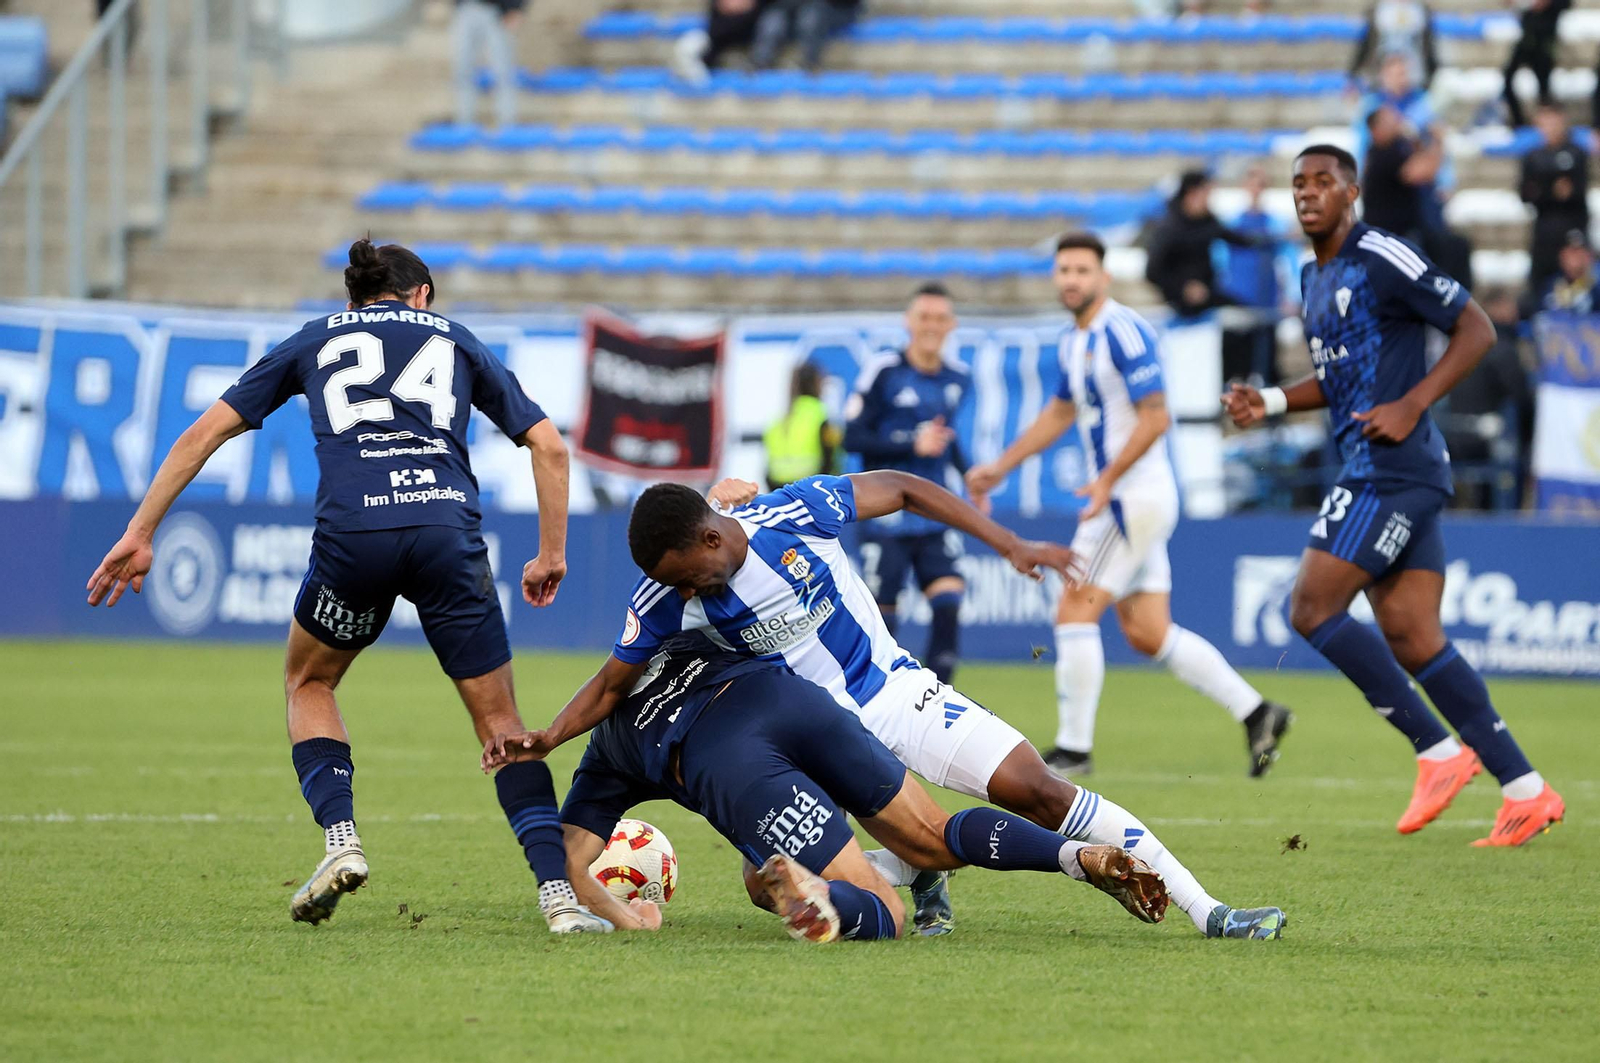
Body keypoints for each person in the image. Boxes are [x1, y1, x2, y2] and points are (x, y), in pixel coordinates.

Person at [485, 471, 1288, 940]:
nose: (687, 591)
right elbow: (613, 682)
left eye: (689, 572)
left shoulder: (794, 513)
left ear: (709, 537)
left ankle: (1210, 910)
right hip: (809, 744)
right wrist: (549, 735)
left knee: (1041, 790)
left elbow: (904, 488)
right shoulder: (669, 594)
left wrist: (1004, 542)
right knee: (764, 883)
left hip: (898, 697)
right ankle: (914, 879)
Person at [85, 240, 611, 932]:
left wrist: (142, 531)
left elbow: (203, 433)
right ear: (421, 294)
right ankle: (559, 900)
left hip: (353, 538)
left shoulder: (313, 339)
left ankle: (342, 838)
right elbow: (547, 443)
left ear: (354, 299)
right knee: (502, 725)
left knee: (310, 682)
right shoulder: (454, 338)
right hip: (446, 535)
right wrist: (550, 553)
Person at [1222, 145, 1565, 847]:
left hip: (1393, 466)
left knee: (1312, 606)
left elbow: (1477, 327)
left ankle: (1437, 752)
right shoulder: (1311, 275)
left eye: (1324, 181)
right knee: (1412, 633)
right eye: (1299, 184)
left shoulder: (1384, 254)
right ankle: (1527, 790)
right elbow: (1338, 380)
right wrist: (1275, 400)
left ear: (1352, 192)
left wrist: (1412, 402)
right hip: (1377, 460)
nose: (1308, 193)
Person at [510, 632, 1170, 942]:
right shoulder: (678, 631)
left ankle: (823, 890)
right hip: (798, 704)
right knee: (934, 837)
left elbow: (569, 865)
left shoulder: (606, 751)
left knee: (885, 912)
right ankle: (1074, 855)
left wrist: (633, 916)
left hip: (733, 757)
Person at [966, 233, 1294, 779]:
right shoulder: (1075, 340)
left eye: (1081, 270)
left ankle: (1073, 750)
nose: (1071, 279)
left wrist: (1107, 481)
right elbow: (1058, 413)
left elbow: (1157, 416)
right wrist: (1001, 466)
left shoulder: (1123, 332)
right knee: (1147, 631)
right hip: (1128, 498)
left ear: (1104, 277)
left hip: (1130, 498)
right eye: (1064, 270)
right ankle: (1258, 712)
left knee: (1073, 608)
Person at [844, 282, 971, 684]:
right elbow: (854, 438)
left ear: (951, 325)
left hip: (932, 512)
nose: (931, 326)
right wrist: (909, 442)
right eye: (924, 318)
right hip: (885, 516)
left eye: (939, 318)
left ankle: (938, 701)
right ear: (908, 323)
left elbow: (946, 440)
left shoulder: (958, 378)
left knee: (949, 600)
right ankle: (878, 706)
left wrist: (972, 478)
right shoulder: (884, 372)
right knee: (884, 620)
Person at [1144, 170, 1268, 319]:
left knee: (1243, 317)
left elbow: (1238, 239)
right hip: (1179, 302)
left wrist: (1273, 238)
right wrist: (1183, 288)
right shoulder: (1168, 228)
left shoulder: (1208, 222)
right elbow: (1152, 271)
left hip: (1208, 295)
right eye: (1206, 194)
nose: (1208, 199)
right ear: (1192, 194)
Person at [1218, 164, 1293, 385]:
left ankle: (1269, 411)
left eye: (1261, 184)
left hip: (1266, 301)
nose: (1256, 189)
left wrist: (1289, 295)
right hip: (1238, 302)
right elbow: (1220, 261)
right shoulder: (1231, 225)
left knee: (1267, 361)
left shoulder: (1276, 224)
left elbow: (1287, 261)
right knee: (1237, 362)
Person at [1521, 105, 1590, 296]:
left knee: (1576, 289)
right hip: (1543, 232)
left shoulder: (1576, 153)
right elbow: (1526, 194)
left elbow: (1573, 191)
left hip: (1571, 230)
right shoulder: (1532, 156)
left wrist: (1542, 191)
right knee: (1539, 287)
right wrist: (1551, 191)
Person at [1362, 104, 1441, 241]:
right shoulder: (1383, 154)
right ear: (1376, 128)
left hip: (1401, 229)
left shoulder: (1397, 146)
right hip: (1390, 234)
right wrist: (1438, 141)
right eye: (1389, 120)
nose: (1396, 122)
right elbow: (1424, 173)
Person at [763, 362, 838, 489]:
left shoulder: (779, 419)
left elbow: (769, 465)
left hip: (778, 486)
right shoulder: (819, 413)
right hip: (809, 486)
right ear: (817, 383)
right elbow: (829, 457)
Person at [453, 0, 523, 129]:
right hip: (467, 9)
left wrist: (515, 7)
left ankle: (508, 122)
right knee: (463, 69)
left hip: (496, 11)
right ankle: (464, 122)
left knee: (503, 70)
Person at [1503, 0, 1570, 129]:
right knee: (1508, 80)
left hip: (1544, 42)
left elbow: (1566, 4)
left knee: (1543, 88)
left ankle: (1546, 125)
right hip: (1527, 39)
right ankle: (1519, 122)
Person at [673, 0, 771, 87]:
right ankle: (701, 89)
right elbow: (714, 25)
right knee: (686, 48)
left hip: (749, 40)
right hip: (715, 39)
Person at [1348, 1, 1437, 91]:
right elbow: (1365, 46)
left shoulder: (1421, 10)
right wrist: (1353, 74)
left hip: (1415, 78)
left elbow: (1429, 49)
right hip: (1380, 79)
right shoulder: (1376, 10)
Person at [752, 0, 861, 73]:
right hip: (786, 10)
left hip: (829, 10)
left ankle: (811, 64)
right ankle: (759, 65)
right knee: (773, 21)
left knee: (810, 18)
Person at [1542, 228, 1600, 313]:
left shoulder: (1596, 287)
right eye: (1570, 253)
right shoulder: (1551, 285)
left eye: (1579, 253)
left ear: (1588, 257)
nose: (1574, 260)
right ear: (1561, 256)